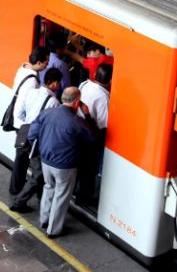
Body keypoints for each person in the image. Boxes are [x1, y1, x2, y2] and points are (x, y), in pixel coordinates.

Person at [30, 87, 97, 237]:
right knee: (61, 196)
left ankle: (44, 220)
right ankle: (53, 230)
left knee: (48, 187)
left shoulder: (47, 113)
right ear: (77, 102)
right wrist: (87, 115)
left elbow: (32, 132)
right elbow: (92, 137)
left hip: (46, 160)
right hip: (65, 166)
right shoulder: (77, 121)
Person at [10, 68, 64, 213]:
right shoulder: (54, 102)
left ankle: (17, 192)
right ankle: (19, 202)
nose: (59, 86)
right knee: (39, 173)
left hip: (23, 131)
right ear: (54, 83)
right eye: (59, 83)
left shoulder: (31, 92)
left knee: (20, 164)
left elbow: (20, 113)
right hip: (36, 140)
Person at [8, 47, 50, 196]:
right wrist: (27, 123)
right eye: (46, 62)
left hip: (20, 123)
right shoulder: (32, 81)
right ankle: (16, 190)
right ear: (38, 63)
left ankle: (16, 187)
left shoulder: (23, 68)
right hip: (23, 125)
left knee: (21, 157)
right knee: (22, 159)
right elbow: (21, 106)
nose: (47, 65)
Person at [75, 63, 112, 205]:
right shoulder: (103, 98)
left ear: (95, 74)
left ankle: (76, 191)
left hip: (77, 131)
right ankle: (83, 198)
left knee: (79, 164)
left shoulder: (84, 84)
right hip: (90, 137)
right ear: (110, 81)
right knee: (89, 169)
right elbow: (103, 125)